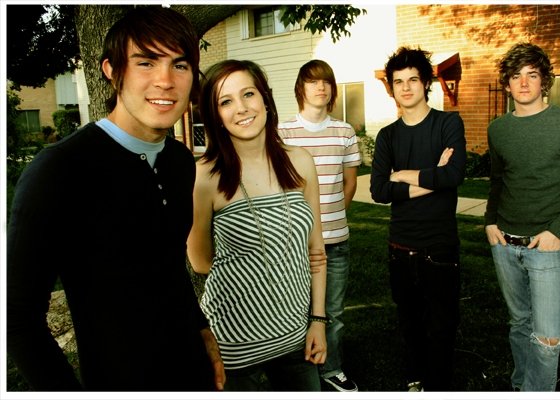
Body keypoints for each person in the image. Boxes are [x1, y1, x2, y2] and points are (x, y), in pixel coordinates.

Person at [7, 6, 225, 391]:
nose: (165, 81)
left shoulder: (179, 161)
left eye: (179, 65)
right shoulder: (59, 170)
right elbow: (17, 318)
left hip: (194, 375)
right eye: (146, 62)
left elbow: (170, 265)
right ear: (112, 70)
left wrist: (202, 328)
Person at [186, 59, 328, 391]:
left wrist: (318, 320)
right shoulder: (204, 176)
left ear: (265, 98)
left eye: (248, 94)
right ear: (215, 115)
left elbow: (317, 250)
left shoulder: (300, 162)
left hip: (296, 338)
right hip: (232, 347)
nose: (241, 108)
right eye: (225, 101)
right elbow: (201, 262)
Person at [484, 43, 560, 392]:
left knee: (547, 338)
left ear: (544, 81)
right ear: (507, 84)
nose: (523, 82)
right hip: (505, 245)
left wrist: (556, 231)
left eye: (532, 75)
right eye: (516, 76)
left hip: (546, 247)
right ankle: (521, 387)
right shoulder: (498, 129)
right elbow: (498, 180)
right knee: (519, 324)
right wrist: (489, 222)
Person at [370, 46, 466, 391]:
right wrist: (431, 178)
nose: (406, 87)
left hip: (439, 248)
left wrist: (401, 175)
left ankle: (438, 388)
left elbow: (453, 175)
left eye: (413, 79)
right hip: (400, 247)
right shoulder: (388, 136)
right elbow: (379, 190)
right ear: (392, 88)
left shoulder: (448, 123)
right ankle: (415, 382)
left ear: (426, 83)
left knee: (441, 327)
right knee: (409, 324)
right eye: (399, 82)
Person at [279, 59, 361, 392]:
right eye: (313, 81)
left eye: (326, 81)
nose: (321, 87)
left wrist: (331, 217)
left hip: (336, 242)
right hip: (296, 243)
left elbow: (350, 184)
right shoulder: (282, 133)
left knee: (333, 312)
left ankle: (331, 369)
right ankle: (300, 370)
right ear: (301, 88)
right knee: (296, 310)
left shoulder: (345, 132)